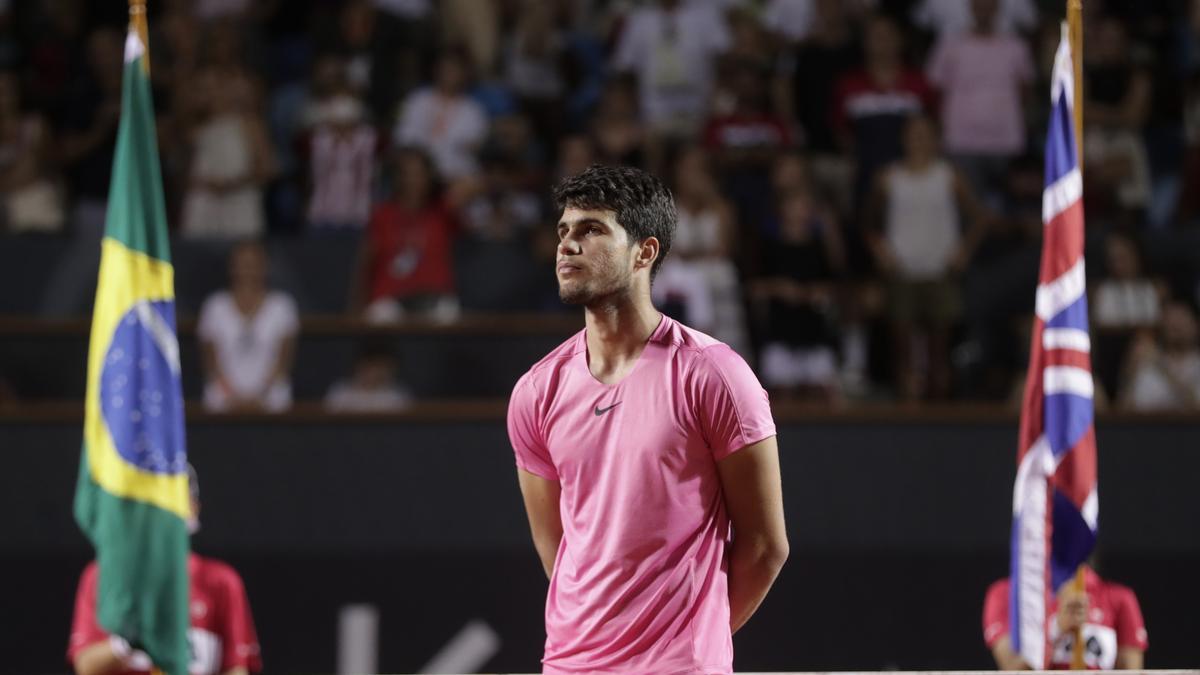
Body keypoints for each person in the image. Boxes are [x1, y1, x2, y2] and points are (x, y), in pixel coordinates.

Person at [508, 165, 788, 673]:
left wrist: (689, 638)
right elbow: (559, 548)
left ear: (645, 251)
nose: (568, 245)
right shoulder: (535, 392)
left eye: (592, 229)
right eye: (564, 231)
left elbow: (766, 546)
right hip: (570, 665)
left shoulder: (715, 375)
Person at [68, 465, 263, 675]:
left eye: (170, 501)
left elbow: (236, 668)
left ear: (193, 507)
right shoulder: (102, 577)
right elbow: (86, 666)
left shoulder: (221, 582)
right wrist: (129, 643)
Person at [865, 114, 987, 400]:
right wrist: (879, 249)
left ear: (936, 139)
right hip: (902, 271)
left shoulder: (948, 175)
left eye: (925, 134)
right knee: (903, 349)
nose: (918, 140)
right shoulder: (889, 177)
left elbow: (979, 217)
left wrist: (964, 251)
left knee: (939, 349)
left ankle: (939, 412)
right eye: (913, 134)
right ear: (904, 138)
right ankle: (907, 411)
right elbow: (868, 222)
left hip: (939, 270)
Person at [197, 240, 299, 412]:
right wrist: (234, 398)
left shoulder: (282, 306)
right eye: (242, 264)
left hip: (271, 397)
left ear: (265, 266)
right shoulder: (215, 306)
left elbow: (284, 362)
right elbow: (211, 363)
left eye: (253, 264)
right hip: (223, 397)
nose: (247, 270)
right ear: (231, 267)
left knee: (279, 397)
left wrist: (259, 398)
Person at [982, 567, 1147, 670]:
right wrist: (1056, 629)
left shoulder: (1119, 598)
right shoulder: (1006, 593)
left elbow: (1131, 670)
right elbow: (1011, 667)